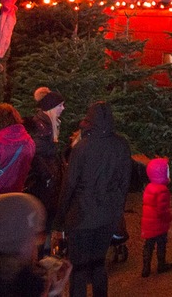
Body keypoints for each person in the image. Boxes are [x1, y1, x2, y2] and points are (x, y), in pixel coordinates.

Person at [55, 101, 133, 297]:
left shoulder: (82, 148)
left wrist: (61, 215)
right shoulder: (121, 145)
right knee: (99, 263)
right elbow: (125, 182)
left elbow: (70, 184)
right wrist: (117, 209)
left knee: (79, 267)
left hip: (81, 216)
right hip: (107, 215)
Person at [25, 89, 66, 232]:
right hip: (42, 182)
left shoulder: (49, 124)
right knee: (43, 219)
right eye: (60, 106)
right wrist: (48, 175)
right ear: (51, 108)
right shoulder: (41, 127)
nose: (63, 108)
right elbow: (37, 154)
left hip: (47, 180)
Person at [140, 157, 172, 277]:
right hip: (159, 225)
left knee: (148, 245)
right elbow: (162, 210)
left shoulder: (149, 187)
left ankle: (146, 268)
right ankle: (161, 264)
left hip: (149, 224)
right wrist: (169, 217)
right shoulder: (162, 190)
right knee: (161, 244)